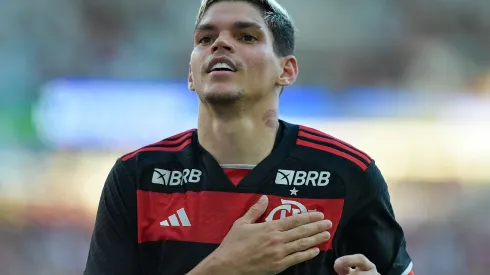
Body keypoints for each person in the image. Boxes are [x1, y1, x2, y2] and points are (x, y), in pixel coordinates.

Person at [84, 0, 414, 274]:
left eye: (246, 37)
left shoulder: (347, 173)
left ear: (286, 70)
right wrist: (223, 268)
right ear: (190, 73)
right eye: (204, 39)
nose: (219, 43)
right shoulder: (137, 176)